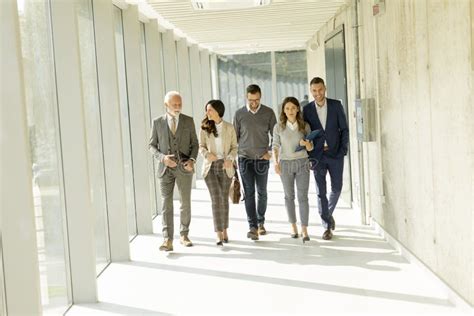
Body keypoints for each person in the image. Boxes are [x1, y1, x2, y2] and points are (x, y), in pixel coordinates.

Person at [149, 91, 199, 251]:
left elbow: (195, 144)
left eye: (180, 104)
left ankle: (184, 235)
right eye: (174, 105)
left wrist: (191, 161)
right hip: (165, 169)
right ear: (166, 105)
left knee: (185, 202)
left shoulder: (188, 121)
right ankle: (167, 240)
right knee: (166, 204)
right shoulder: (157, 122)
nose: (178, 107)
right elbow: (151, 146)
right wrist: (163, 158)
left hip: (184, 168)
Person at [303, 77, 349, 240]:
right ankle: (327, 226)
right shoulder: (307, 110)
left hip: (335, 153)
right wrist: (308, 156)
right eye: (314, 90)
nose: (318, 93)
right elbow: (305, 134)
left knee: (337, 188)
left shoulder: (336, 105)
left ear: (325, 88)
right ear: (311, 91)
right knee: (320, 192)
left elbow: (344, 129)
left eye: (320, 89)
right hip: (317, 156)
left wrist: (343, 149)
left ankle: (327, 215)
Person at [234, 84, 277, 240]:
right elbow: (235, 138)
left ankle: (261, 222)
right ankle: (252, 226)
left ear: (260, 97)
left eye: (257, 100)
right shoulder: (239, 114)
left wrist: (270, 152)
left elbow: (276, 135)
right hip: (244, 158)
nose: (254, 103)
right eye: (251, 100)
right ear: (247, 97)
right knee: (249, 192)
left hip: (261, 159)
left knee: (262, 192)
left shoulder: (268, 113)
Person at [272, 97, 313, 243]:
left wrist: (306, 143)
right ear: (283, 110)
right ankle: (293, 225)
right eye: (287, 108)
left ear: (297, 109)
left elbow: (310, 148)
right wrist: (276, 163)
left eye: (293, 108)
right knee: (289, 196)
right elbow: (275, 146)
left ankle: (304, 228)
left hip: (302, 163)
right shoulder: (278, 127)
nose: (290, 111)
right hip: (286, 164)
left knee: (303, 197)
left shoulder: (304, 126)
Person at [199, 100, 238, 246]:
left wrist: (230, 158)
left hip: (225, 166)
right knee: (216, 199)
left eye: (210, 110)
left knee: (223, 199)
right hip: (210, 167)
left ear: (218, 111)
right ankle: (218, 233)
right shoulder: (204, 127)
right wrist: (206, 154)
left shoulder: (229, 127)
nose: (207, 113)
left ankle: (225, 229)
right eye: (207, 110)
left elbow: (235, 147)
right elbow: (201, 146)